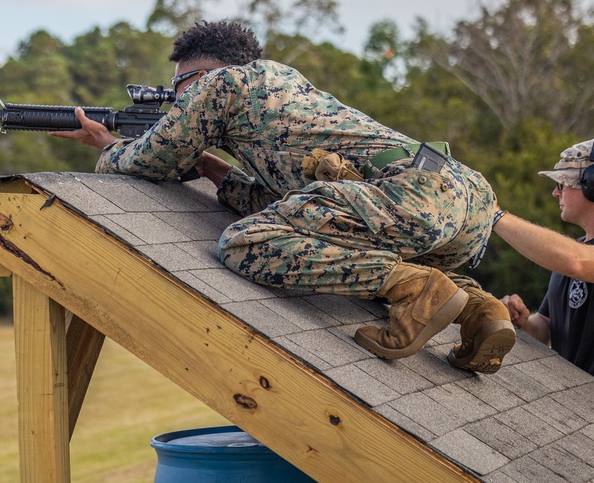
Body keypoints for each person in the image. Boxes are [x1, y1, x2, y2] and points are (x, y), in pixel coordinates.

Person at [50, 20, 515, 374]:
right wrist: (216, 171)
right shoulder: (284, 89)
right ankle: (480, 312)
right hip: (462, 197)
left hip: (407, 193)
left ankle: (417, 289)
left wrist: (107, 146)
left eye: (178, 87)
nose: (176, 100)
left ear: (204, 74)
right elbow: (294, 210)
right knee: (327, 235)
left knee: (242, 244)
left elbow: (149, 160)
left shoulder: (221, 85)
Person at [497, 139, 594, 374]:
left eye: (562, 183)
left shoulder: (574, 258)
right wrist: (525, 322)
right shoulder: (573, 251)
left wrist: (494, 216)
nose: (555, 192)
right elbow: (548, 327)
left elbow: (576, 260)